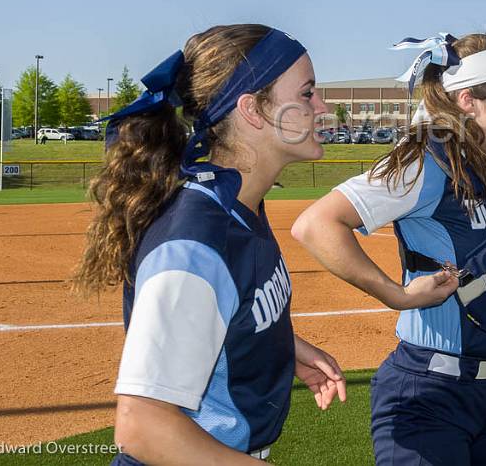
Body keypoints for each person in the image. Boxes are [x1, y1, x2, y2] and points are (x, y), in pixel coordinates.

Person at [72, 24, 347, 465]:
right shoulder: (197, 238)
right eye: (308, 93)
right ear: (253, 110)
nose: (324, 107)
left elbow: (227, 301)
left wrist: (277, 343)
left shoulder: (237, 200)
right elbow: (142, 426)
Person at [291, 32, 486, 465]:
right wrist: (397, 295)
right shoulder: (426, 159)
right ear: (467, 102)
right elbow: (317, 224)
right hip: (429, 394)